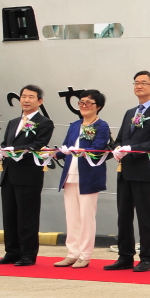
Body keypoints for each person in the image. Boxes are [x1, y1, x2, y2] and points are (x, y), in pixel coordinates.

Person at [107, 71, 150, 272]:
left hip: (146, 171)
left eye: (144, 83)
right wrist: (117, 149)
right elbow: (120, 139)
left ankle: (147, 258)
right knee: (123, 216)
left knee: (145, 217)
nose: (139, 86)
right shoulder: (129, 113)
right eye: (136, 82)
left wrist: (131, 150)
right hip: (125, 170)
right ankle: (124, 256)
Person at [0, 85, 54, 266]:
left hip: (28, 175)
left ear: (39, 101)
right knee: (9, 215)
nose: (26, 100)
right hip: (9, 174)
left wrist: (13, 150)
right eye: (23, 96)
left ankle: (28, 254)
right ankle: (11, 252)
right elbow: (5, 143)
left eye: (31, 97)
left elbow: (39, 144)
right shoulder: (12, 123)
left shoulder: (45, 123)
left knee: (27, 216)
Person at [52, 90, 110, 268]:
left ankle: (85, 255)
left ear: (98, 107)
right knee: (72, 217)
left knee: (86, 217)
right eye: (81, 103)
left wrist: (84, 152)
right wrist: (55, 154)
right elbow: (66, 146)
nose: (84, 106)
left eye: (88, 103)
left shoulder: (102, 125)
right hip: (70, 175)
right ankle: (72, 253)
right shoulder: (74, 125)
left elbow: (99, 147)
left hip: (89, 176)